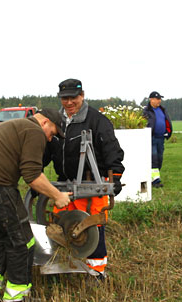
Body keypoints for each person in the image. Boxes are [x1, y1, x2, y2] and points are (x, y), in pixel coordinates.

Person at [0, 108, 71, 302]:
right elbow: (32, 176)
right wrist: (57, 195)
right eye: (52, 133)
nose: (49, 139)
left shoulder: (13, 126)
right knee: (22, 241)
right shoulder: (34, 131)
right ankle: (17, 299)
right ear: (45, 122)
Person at [43, 78, 125, 280]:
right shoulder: (57, 121)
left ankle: (97, 273)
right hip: (64, 185)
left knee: (91, 228)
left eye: (73, 98)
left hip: (91, 185)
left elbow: (113, 151)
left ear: (82, 96)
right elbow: (45, 151)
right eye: (64, 98)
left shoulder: (97, 120)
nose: (69, 102)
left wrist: (115, 177)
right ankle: (69, 265)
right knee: (61, 226)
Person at [142, 91, 173, 188]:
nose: (159, 101)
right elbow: (143, 123)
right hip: (151, 138)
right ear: (151, 99)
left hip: (161, 138)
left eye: (160, 99)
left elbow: (167, 121)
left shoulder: (162, 109)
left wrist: (168, 131)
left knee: (159, 159)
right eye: (157, 99)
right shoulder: (146, 111)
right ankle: (155, 181)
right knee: (154, 159)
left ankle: (154, 177)